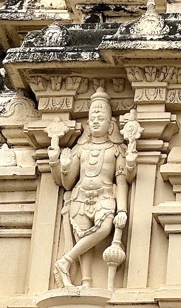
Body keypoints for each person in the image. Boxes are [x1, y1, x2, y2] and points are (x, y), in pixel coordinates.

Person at [48, 88, 137, 289]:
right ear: (87, 123)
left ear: (111, 124)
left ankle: (65, 260)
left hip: (104, 198)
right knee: (83, 237)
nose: (96, 121)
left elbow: (122, 181)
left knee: (104, 229)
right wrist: (58, 163)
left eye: (101, 117)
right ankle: (86, 282)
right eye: (92, 117)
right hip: (79, 198)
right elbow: (68, 182)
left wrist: (122, 210)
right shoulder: (81, 149)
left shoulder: (117, 150)